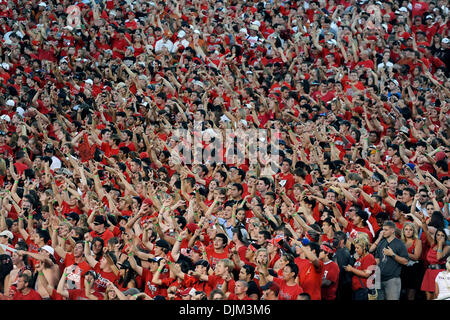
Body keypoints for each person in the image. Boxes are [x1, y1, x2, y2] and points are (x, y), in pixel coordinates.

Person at [372, 221, 409, 300]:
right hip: (379, 278)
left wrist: (392, 254)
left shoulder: (400, 244)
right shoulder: (381, 243)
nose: (383, 232)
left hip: (392, 280)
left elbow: (406, 261)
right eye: (383, 230)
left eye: (386, 230)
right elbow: (377, 260)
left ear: (392, 230)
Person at [344, 234, 377, 300]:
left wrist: (351, 269)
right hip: (357, 291)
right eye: (355, 248)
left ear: (364, 247)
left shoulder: (369, 257)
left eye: (358, 248)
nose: (356, 250)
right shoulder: (359, 258)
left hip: (364, 291)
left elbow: (366, 274)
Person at [400, 221, 423, 300]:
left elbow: (416, 257)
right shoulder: (400, 242)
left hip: (413, 270)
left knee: (410, 295)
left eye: (410, 229)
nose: (408, 231)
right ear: (403, 231)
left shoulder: (417, 241)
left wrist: (404, 252)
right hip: (401, 269)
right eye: (406, 229)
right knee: (401, 295)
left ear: (414, 231)